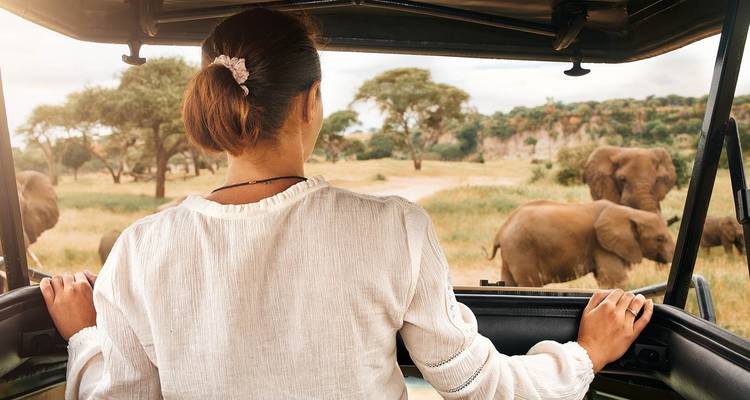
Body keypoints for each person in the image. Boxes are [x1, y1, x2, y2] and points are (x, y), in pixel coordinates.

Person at [40, 8, 653, 400]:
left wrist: (85, 338)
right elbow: (476, 383)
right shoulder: (392, 227)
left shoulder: (142, 247)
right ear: (310, 103)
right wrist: (585, 355)